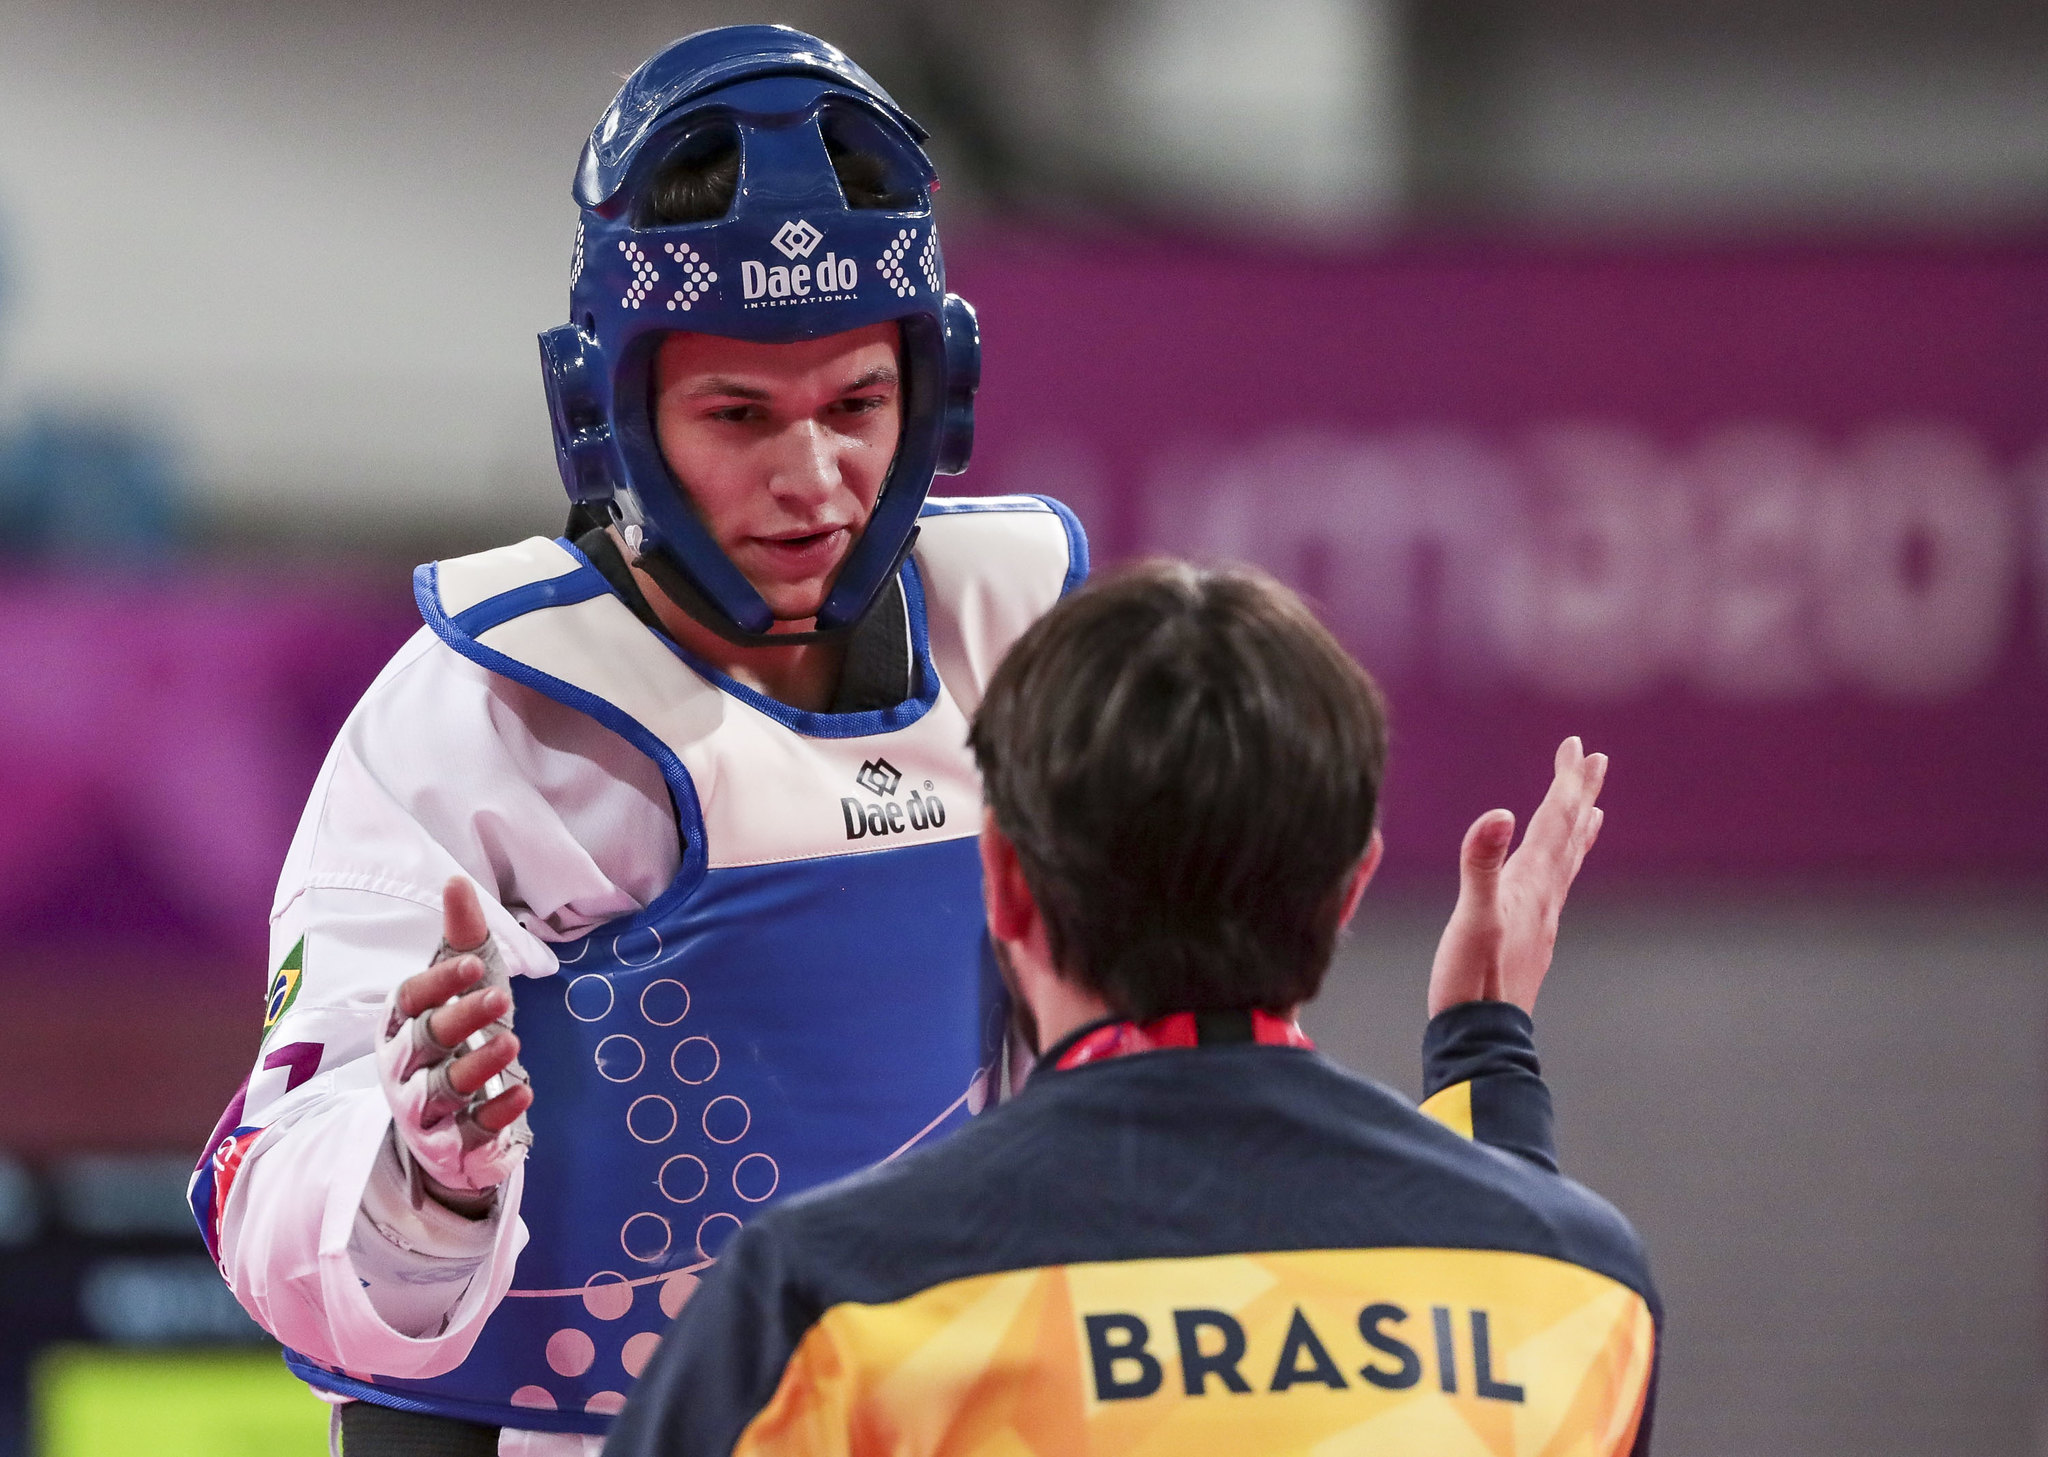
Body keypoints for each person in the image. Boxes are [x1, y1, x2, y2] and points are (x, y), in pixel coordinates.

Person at [188, 25, 1085, 1457]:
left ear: (937, 392)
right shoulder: (479, 714)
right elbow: (266, 1196)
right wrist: (429, 1176)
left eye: (858, 405)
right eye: (741, 414)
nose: (814, 478)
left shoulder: (1021, 650)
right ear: (607, 413)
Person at [605, 560, 1661, 1457]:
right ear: (1349, 887)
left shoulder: (823, 1302)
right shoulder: (1576, 1290)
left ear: (1006, 883)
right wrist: (1485, 1053)